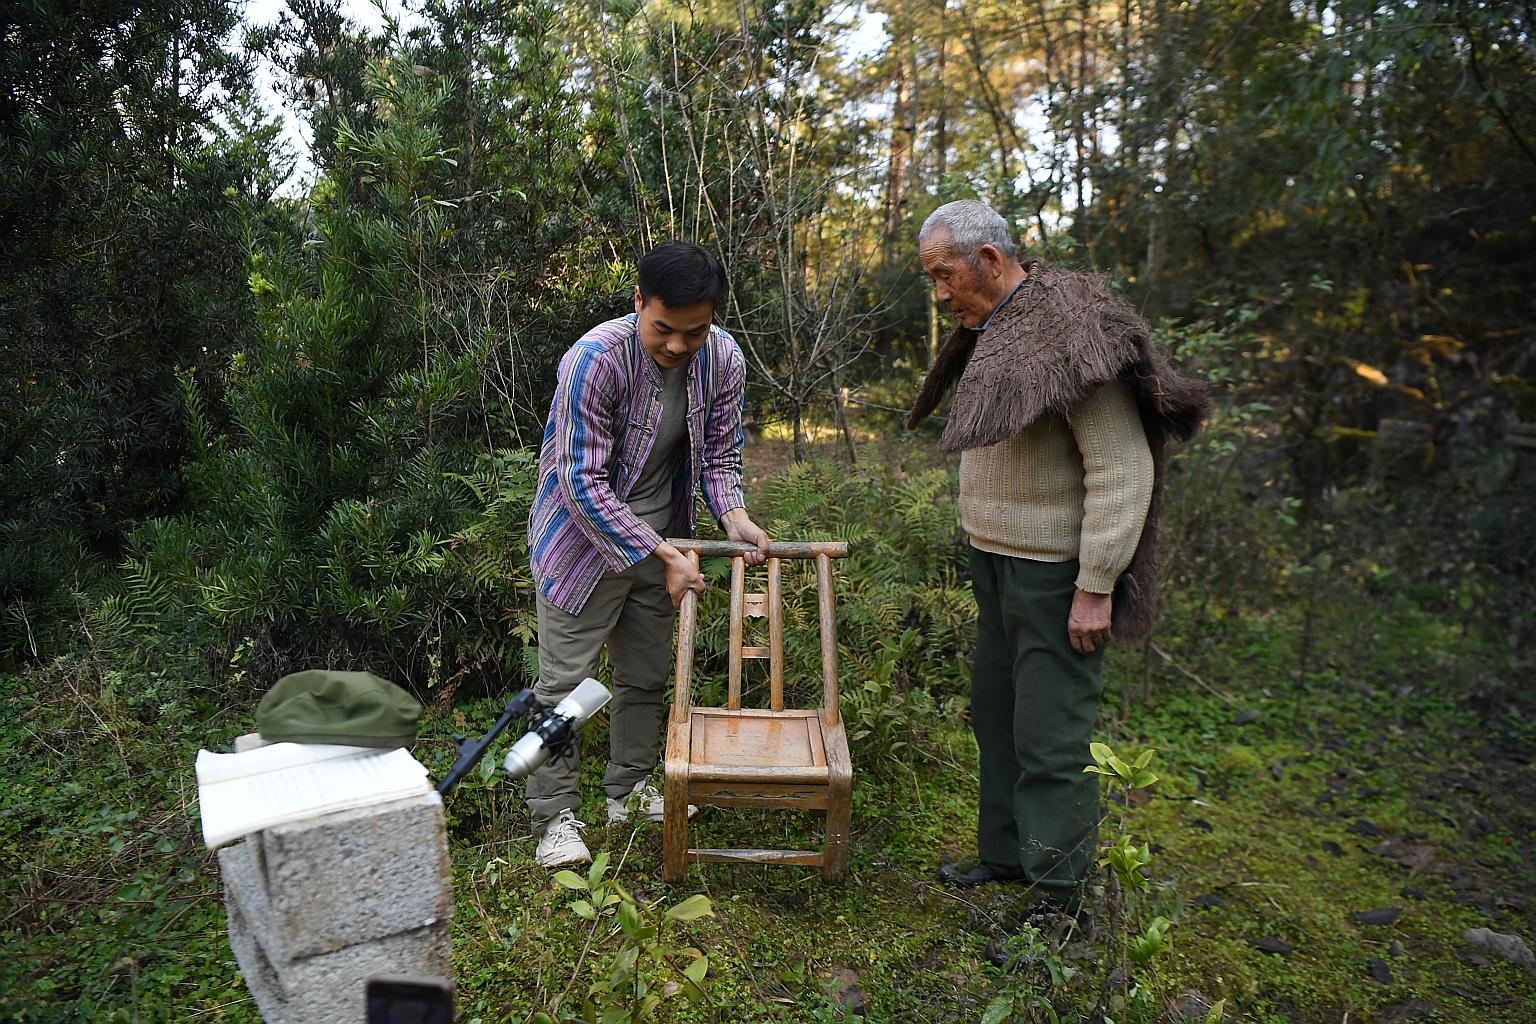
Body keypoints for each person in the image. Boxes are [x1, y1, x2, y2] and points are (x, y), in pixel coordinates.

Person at [906, 201, 1208, 949]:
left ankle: (1061, 904)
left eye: (945, 275)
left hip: (1055, 576)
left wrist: (1097, 584)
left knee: (1050, 735)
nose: (940, 292)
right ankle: (1006, 855)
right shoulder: (994, 330)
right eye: (933, 279)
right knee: (999, 713)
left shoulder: (1070, 334)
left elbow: (1122, 466)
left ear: (989, 258)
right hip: (996, 564)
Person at [525, 241, 770, 868]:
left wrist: (734, 515)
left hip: (668, 545)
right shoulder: (595, 359)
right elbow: (582, 482)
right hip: (582, 547)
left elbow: (720, 454)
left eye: (696, 331)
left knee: (645, 677)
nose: (678, 346)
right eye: (664, 328)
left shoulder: (723, 359)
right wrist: (662, 553)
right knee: (563, 686)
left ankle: (628, 789)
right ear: (638, 302)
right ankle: (554, 816)